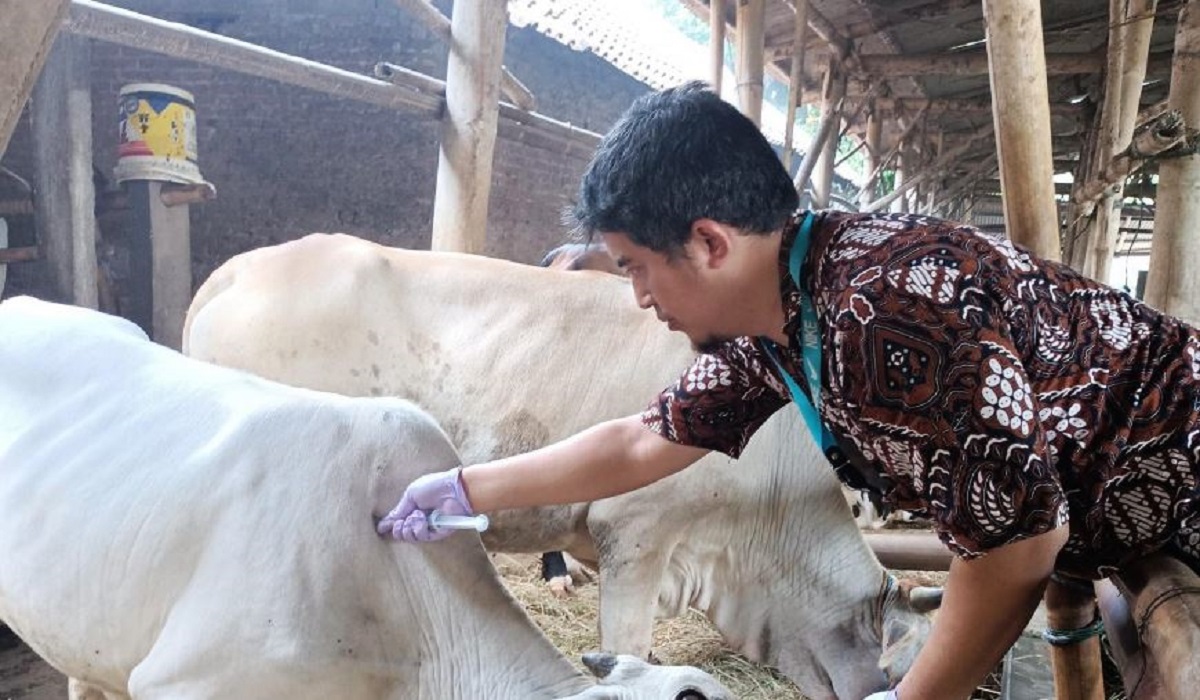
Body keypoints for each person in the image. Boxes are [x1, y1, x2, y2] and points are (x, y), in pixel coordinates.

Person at [377, 81, 1200, 700]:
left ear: (706, 243)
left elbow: (1019, 544)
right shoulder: (787, 321)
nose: (637, 297)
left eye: (635, 267)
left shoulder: (883, 311)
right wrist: (465, 488)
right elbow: (642, 441)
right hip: (1137, 525)